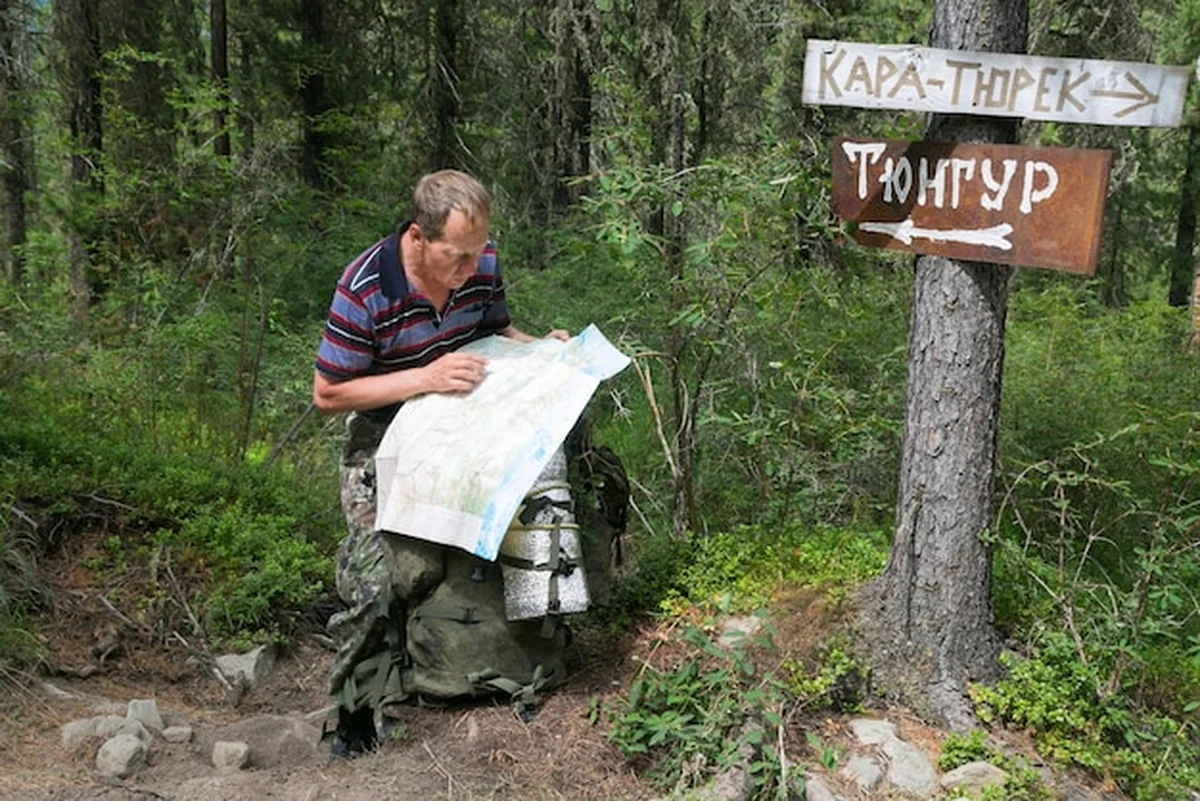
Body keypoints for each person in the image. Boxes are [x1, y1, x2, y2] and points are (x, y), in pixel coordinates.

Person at [312, 170, 568, 758]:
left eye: (479, 252)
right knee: (376, 575)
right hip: (384, 434)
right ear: (419, 237)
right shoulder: (367, 286)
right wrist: (423, 379)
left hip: (459, 423)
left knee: (525, 513)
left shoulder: (481, 263)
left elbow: (496, 329)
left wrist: (547, 351)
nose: (470, 267)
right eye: (457, 256)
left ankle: (511, 669)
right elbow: (328, 394)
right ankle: (353, 710)